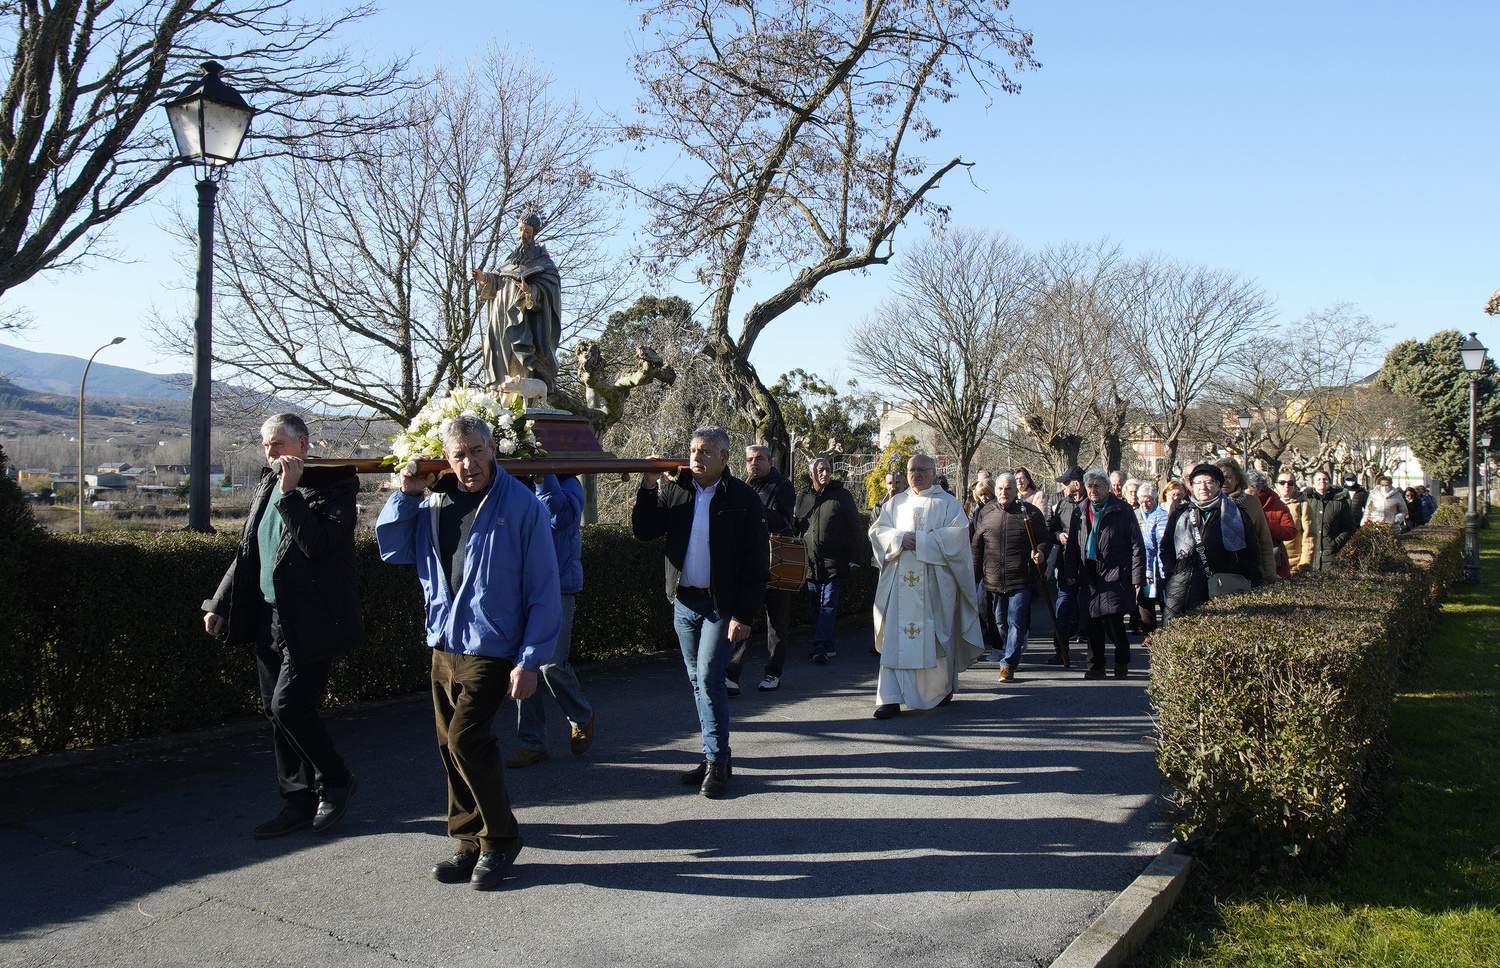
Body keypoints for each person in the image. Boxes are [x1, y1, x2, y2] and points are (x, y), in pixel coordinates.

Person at [375, 414, 560, 890]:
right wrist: (406, 495)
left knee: (466, 740)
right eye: (458, 454)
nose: (468, 463)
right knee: (447, 747)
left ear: (493, 448)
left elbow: (543, 586)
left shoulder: (521, 505)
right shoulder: (433, 501)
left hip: (494, 646)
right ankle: (468, 840)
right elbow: (393, 550)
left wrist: (530, 657)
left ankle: (500, 839)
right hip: (444, 640)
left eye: (476, 451)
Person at [202, 412, 361, 839]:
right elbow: (247, 551)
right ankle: (296, 800)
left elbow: (319, 545)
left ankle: (336, 778)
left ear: (303, 444)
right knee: (278, 715)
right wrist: (218, 602)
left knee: (288, 706)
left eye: (278, 445)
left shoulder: (336, 486)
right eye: (266, 445)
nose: (270, 453)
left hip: (311, 620)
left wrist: (291, 495)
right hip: (268, 617)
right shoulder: (266, 484)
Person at [632, 427, 769, 798]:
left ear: (724, 457)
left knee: (708, 678)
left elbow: (757, 564)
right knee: (698, 682)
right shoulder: (678, 489)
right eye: (692, 450)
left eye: (706, 452)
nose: (696, 458)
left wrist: (744, 615)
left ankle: (717, 760)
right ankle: (715, 755)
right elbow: (644, 530)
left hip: (720, 607)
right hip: (684, 601)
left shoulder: (742, 498)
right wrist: (647, 486)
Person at [869, 453, 983, 719]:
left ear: (933, 472)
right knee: (896, 638)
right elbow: (877, 532)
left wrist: (922, 541)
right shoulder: (895, 503)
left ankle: (939, 690)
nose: (916, 474)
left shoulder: (948, 504)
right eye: (911, 470)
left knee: (935, 635)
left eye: (922, 469)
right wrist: (898, 538)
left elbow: (957, 538)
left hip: (934, 583)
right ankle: (890, 698)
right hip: (899, 584)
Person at [507, 474, 596, 768]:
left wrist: (545, 478)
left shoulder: (569, 482)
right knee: (523, 665)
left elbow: (563, 519)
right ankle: (532, 743)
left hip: (558, 586)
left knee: (551, 663)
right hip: (521, 588)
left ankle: (581, 716)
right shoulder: (510, 484)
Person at [1062, 469, 1145, 679]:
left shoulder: (1122, 510)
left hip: (1115, 573)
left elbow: (1137, 545)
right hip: (1088, 572)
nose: (1093, 490)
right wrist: (1070, 570)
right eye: (1089, 486)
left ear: (1108, 487)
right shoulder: (1080, 510)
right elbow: (1073, 544)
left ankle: (1121, 660)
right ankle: (1096, 666)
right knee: (1091, 623)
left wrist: (1137, 577)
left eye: (1098, 485)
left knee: (1113, 621)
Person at [727, 445, 797, 692]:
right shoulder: (744, 486)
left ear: (770, 460)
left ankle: (772, 673)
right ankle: (732, 674)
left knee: (777, 621)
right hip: (750, 562)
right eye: (749, 460)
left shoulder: (783, 486)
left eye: (759, 459)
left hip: (777, 561)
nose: (753, 464)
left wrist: (754, 508)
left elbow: (784, 520)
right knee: (743, 616)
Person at [971, 472, 1052, 681]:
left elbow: (1044, 539)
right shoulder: (986, 512)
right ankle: (1010, 649)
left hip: (1020, 578)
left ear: (1016, 491)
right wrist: (974, 575)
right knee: (1000, 621)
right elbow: (977, 547)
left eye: (1008, 489)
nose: (1003, 492)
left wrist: (1041, 553)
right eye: (1000, 488)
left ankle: (1008, 663)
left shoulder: (1031, 513)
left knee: (1016, 620)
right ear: (994, 490)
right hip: (993, 579)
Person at [473, 212, 563, 395]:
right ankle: (499, 399)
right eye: (521, 229)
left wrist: (530, 290)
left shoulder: (543, 262)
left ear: (534, 233)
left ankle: (522, 402)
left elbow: (550, 288)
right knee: (498, 358)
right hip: (500, 319)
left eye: (527, 231)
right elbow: (498, 281)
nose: (523, 234)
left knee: (519, 365)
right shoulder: (510, 259)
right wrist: (484, 279)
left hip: (523, 321)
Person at [1159, 463, 1259, 620]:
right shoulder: (1180, 514)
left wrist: (1249, 579)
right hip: (1183, 586)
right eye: (1197, 483)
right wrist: (1171, 572)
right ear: (1191, 486)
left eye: (1209, 482)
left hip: (1222, 584)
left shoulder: (1236, 513)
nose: (1203, 487)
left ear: (1219, 485)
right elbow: (1166, 547)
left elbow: (1251, 552)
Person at [793, 456, 863, 668]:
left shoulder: (842, 496)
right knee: (816, 606)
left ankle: (820, 648)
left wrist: (855, 558)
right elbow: (796, 525)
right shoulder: (803, 496)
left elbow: (855, 528)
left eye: (828, 469)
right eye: (820, 470)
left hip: (835, 562)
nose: (825, 473)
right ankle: (828, 643)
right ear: (811, 473)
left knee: (828, 605)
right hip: (810, 563)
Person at [1046, 465, 1087, 662]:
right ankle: (1061, 651)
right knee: (1062, 608)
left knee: (1089, 609)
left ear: (1076, 484)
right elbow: (1052, 528)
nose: (1063, 487)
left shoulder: (1091, 504)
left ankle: (1096, 655)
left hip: (1089, 565)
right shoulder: (1063, 503)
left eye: (1065, 483)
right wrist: (1058, 535)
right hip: (1065, 564)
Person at [1216, 457, 1277, 586]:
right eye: (1220, 477)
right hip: (1217, 572)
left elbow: (1264, 539)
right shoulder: (1208, 504)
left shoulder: (1252, 502)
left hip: (1249, 570)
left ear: (1238, 479)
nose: (1224, 482)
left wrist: (1269, 573)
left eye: (1228, 477)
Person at [966, 478, 1003, 657]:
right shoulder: (976, 511)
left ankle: (1000, 644)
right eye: (980, 495)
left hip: (996, 562)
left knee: (996, 608)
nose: (984, 498)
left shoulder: (998, 509)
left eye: (987, 494)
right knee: (984, 605)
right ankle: (994, 641)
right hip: (982, 564)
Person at [1245, 468, 1297, 580]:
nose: (1244, 492)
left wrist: (1264, 525)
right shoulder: (1241, 501)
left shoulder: (1277, 504)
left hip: (1273, 561)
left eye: (1247, 489)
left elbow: (1291, 531)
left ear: (1258, 489)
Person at [1301, 469, 1357, 572]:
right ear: (1313, 483)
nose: (1322, 481)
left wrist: (1334, 543)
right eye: (1318, 479)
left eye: (1325, 479)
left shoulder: (1340, 501)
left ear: (1330, 482)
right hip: (1309, 554)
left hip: (1331, 556)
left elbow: (1349, 527)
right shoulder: (1305, 500)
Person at [1135, 481, 1168, 634]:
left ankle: (1169, 632)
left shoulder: (1162, 515)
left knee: (1164, 599)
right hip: (1140, 562)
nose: (1145, 504)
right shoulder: (1133, 515)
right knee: (1144, 599)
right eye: (1141, 500)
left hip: (1159, 564)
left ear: (1155, 499)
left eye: (1149, 500)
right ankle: (1149, 633)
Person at [1275, 472, 1307, 574]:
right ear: (1276, 485)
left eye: (1290, 483)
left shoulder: (1302, 505)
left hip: (1294, 565)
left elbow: (1309, 535)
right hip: (1273, 563)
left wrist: (1304, 563)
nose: (1286, 486)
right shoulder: (1269, 504)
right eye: (1282, 482)